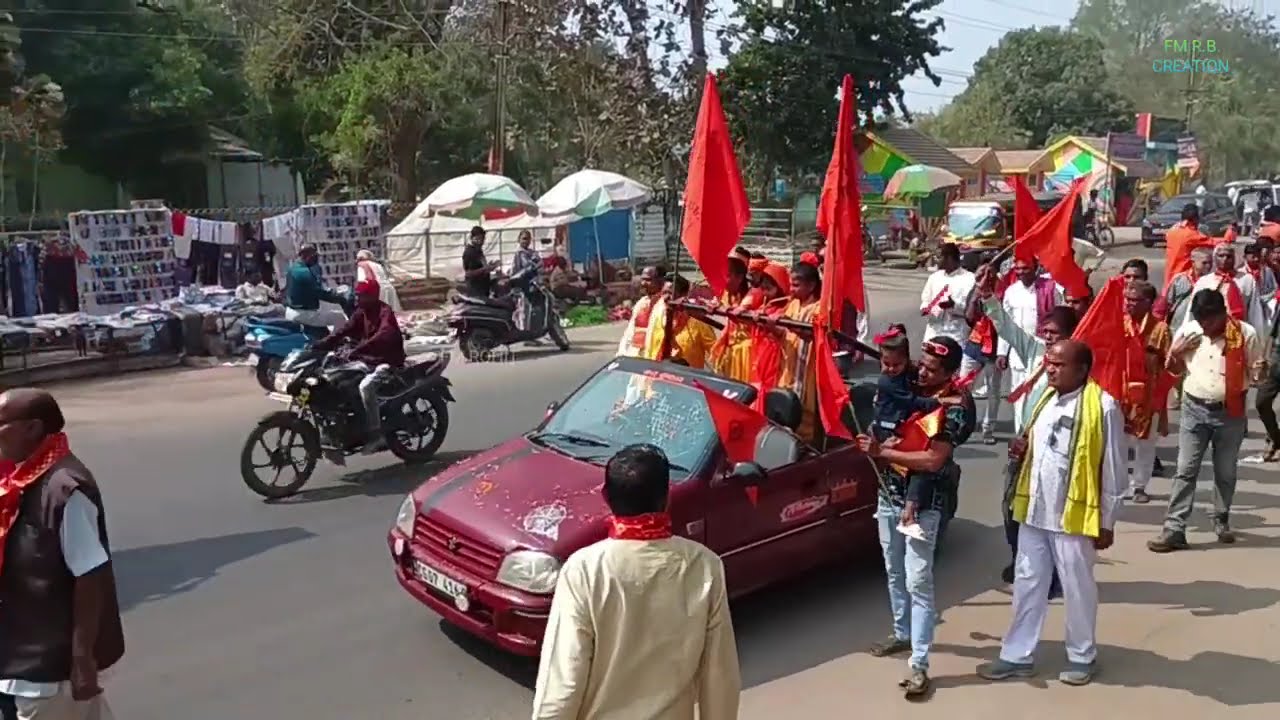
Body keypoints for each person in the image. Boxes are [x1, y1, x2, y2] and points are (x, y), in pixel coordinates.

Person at [532, 444, 740, 720]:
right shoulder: (704, 566)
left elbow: (562, 682)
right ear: (666, 498)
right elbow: (719, 678)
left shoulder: (585, 570)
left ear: (606, 497)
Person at [978, 340, 1124, 687]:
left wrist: (1108, 521)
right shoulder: (1042, 398)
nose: (1051, 369)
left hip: (1074, 516)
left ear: (1083, 369)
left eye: (1059, 364)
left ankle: (1082, 656)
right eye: (1049, 363)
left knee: (1077, 587)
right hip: (1035, 510)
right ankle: (1017, 656)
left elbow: (1115, 468)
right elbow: (1033, 444)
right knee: (1028, 583)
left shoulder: (1103, 406)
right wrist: (1020, 448)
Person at [857, 336, 973, 698]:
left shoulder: (955, 407)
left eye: (932, 369)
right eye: (921, 364)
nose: (922, 372)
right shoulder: (907, 381)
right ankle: (902, 632)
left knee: (918, 581)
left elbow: (933, 460)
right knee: (893, 570)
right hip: (887, 495)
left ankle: (920, 665)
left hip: (924, 505)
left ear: (951, 373)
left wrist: (883, 452)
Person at [0, 389, 125, 719]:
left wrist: (82, 658)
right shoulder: (19, 477)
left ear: (32, 428)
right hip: (15, 656)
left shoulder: (64, 488)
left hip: (46, 670)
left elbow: (90, 572)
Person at [1148, 290, 1265, 552]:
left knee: (1225, 471)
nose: (1205, 328)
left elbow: (1256, 372)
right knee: (1185, 470)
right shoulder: (1190, 332)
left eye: (1209, 322)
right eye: (1201, 322)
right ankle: (1174, 528)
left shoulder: (1245, 334)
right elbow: (1174, 371)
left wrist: (1258, 372)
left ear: (1222, 314)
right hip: (1194, 409)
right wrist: (1175, 354)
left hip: (1230, 413)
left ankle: (1221, 518)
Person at [314, 276, 406, 453]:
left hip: (387, 361)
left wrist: (360, 348)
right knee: (335, 379)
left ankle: (376, 434)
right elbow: (345, 329)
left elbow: (384, 335)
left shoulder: (384, 311)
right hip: (366, 359)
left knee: (366, 387)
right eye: (357, 295)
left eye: (362, 295)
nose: (358, 299)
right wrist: (324, 343)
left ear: (372, 295)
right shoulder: (361, 312)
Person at [997, 259, 1066, 430]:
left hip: (1042, 350)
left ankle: (1036, 433)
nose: (1020, 272)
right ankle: (1021, 433)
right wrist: (1001, 352)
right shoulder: (1011, 291)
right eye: (1017, 269)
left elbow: (1061, 317)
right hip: (1018, 353)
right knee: (1019, 396)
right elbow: (1006, 324)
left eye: (1025, 268)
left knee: (1041, 394)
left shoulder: (1050, 289)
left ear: (1036, 269)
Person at [1122, 281, 1172, 504]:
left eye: (1135, 300)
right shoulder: (1119, 324)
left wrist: (1162, 400)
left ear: (1149, 302)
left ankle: (1139, 486)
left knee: (1145, 443)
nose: (1129, 304)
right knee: (1119, 443)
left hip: (1149, 395)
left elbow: (1169, 365)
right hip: (1120, 393)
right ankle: (1119, 485)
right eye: (1128, 300)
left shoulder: (1160, 329)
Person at [962, 264, 1011, 444]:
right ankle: (962, 423)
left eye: (989, 272)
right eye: (982, 272)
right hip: (975, 344)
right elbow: (969, 317)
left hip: (995, 347)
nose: (986, 276)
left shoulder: (1005, 289)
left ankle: (988, 428)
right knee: (963, 387)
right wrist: (977, 292)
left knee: (993, 392)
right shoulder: (974, 289)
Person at [871, 324, 945, 443]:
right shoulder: (887, 382)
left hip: (902, 422)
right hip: (887, 429)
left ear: (906, 360)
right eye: (886, 363)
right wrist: (939, 402)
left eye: (896, 365)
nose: (891, 369)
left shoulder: (909, 371)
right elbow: (912, 401)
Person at [777, 258, 823, 442]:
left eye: (796, 285)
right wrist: (766, 323)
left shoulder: (818, 308)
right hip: (789, 368)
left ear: (811, 285)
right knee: (784, 409)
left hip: (807, 371)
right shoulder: (794, 304)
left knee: (805, 414)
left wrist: (785, 324)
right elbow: (782, 332)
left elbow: (809, 333)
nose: (791, 289)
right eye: (790, 284)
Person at [644, 275, 717, 370]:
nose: (666, 298)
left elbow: (716, 353)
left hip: (687, 378)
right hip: (657, 374)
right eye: (664, 292)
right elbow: (649, 345)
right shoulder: (658, 310)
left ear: (683, 295)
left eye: (670, 293)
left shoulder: (697, 320)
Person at [1192, 244, 1267, 334]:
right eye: (1221, 256)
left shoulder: (1247, 280)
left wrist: (1258, 336)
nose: (1225, 259)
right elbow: (1193, 310)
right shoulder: (1204, 281)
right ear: (1215, 258)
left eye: (1229, 256)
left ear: (1235, 258)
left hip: (1239, 333)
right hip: (1210, 333)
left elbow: (1255, 311)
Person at [709, 249, 755, 383]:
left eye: (727, 275)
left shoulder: (752, 296)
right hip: (731, 351)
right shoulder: (726, 294)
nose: (723, 279)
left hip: (747, 354)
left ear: (740, 278)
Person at [919, 244, 974, 346]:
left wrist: (953, 306)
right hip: (933, 333)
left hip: (956, 335)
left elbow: (972, 311)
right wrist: (927, 308)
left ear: (949, 258)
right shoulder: (934, 278)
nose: (935, 260)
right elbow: (925, 300)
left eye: (938, 257)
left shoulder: (969, 279)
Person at [284, 244, 347, 328]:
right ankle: (335, 340)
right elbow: (319, 293)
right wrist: (339, 297)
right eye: (314, 256)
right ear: (307, 256)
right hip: (304, 314)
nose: (316, 259)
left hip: (292, 311)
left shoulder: (293, 268)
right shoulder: (305, 272)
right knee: (340, 317)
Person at [616, 266, 665, 358]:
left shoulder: (665, 305)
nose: (643, 283)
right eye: (642, 279)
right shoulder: (642, 302)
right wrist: (622, 353)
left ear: (661, 281)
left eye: (648, 280)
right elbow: (630, 331)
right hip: (635, 355)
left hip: (655, 358)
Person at [1159, 247, 1212, 331]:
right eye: (1204, 263)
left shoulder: (1213, 281)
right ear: (1193, 262)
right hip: (1177, 327)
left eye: (1210, 263)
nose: (1208, 266)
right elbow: (1167, 304)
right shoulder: (1179, 280)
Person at [461, 225, 501, 298]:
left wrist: (490, 266)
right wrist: (485, 269)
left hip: (483, 287)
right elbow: (468, 273)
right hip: (475, 289)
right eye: (478, 239)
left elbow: (480, 266)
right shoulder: (469, 252)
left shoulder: (478, 250)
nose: (480, 242)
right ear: (471, 238)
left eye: (482, 239)